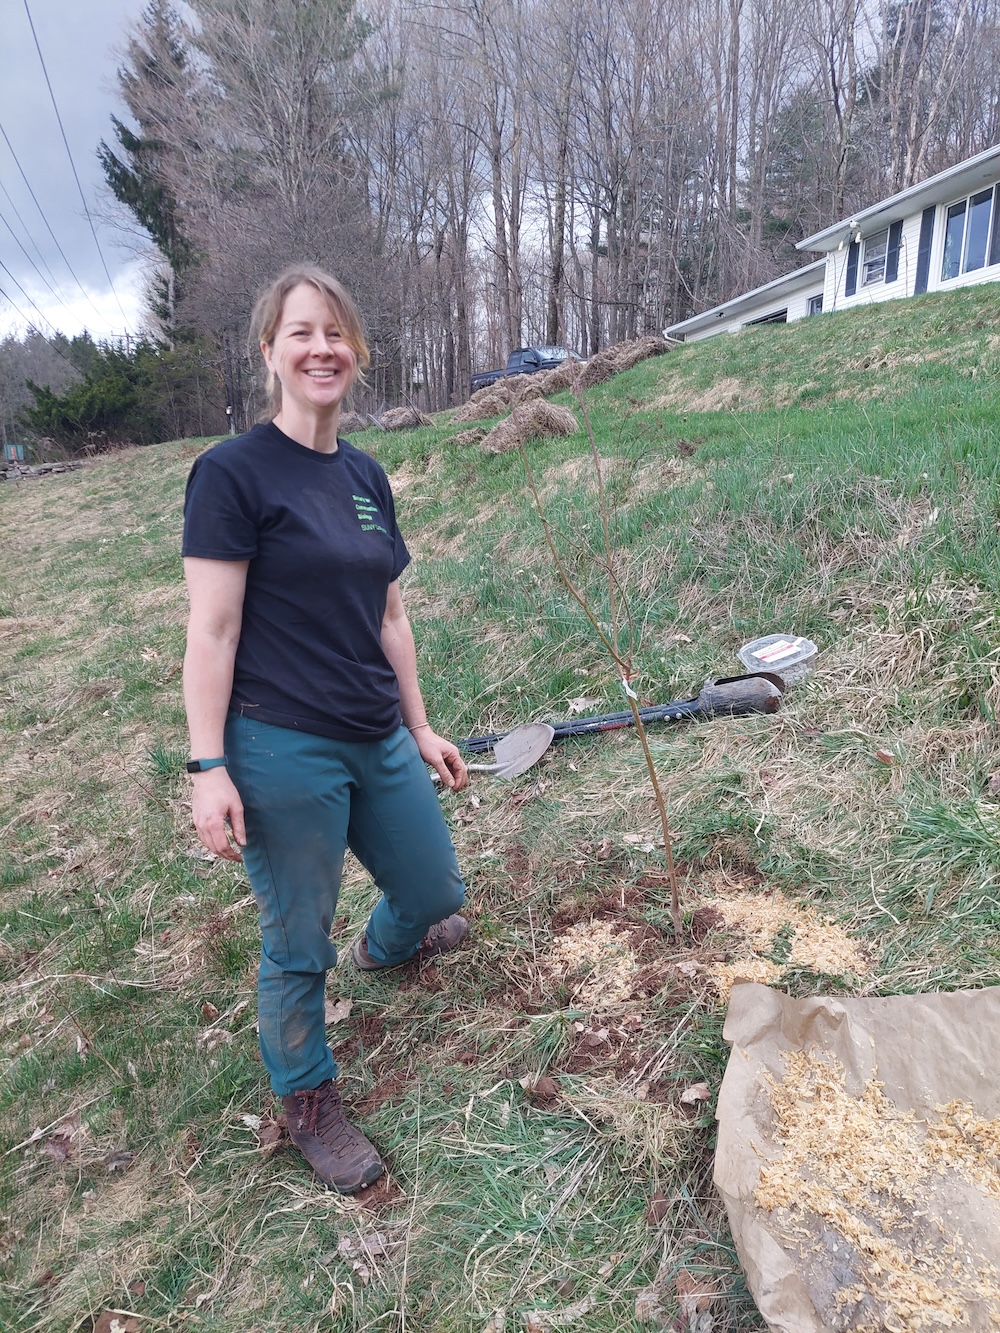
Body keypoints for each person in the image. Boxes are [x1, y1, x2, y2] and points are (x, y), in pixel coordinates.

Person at [181, 264, 469, 1194]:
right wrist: (209, 766)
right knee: (295, 939)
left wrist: (420, 728)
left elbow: (389, 617)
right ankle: (306, 1096)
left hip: (374, 730)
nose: (322, 349)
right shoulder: (231, 474)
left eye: (336, 333)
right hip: (281, 743)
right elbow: (213, 631)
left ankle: (383, 949)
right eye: (302, 332)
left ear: (357, 355)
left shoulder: (364, 474)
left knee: (433, 888)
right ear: (269, 351)